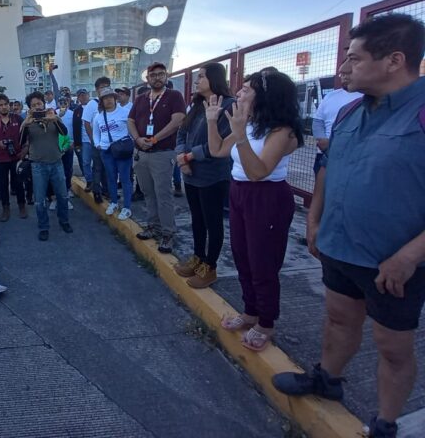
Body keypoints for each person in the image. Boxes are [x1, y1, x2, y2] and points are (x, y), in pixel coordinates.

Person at [273, 14, 425, 438]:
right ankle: (327, 379)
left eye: (355, 58)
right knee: (338, 319)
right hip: (339, 246)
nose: (346, 67)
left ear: (394, 60)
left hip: (393, 262)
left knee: (392, 348)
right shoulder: (350, 112)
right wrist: (316, 220)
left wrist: (410, 255)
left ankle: (386, 422)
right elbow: (328, 170)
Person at [206, 70, 302, 352]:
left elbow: (259, 172)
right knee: (241, 255)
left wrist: (240, 135)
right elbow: (218, 151)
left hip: (267, 197)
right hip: (239, 191)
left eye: (247, 89)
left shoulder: (282, 131)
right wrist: (213, 122)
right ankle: (250, 311)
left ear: (266, 96)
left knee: (263, 262)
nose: (240, 93)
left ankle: (266, 321)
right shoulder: (248, 124)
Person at [175, 62, 235, 289]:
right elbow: (181, 134)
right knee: (197, 219)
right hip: (190, 174)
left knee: (213, 222)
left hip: (212, 176)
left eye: (201, 77)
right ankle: (198, 257)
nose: (197, 81)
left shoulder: (229, 106)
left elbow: (218, 146)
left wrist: (189, 157)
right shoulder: (197, 105)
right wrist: (182, 157)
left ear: (214, 79)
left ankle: (210, 267)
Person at [128, 62, 186, 253]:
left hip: (162, 153)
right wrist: (137, 138)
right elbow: (130, 120)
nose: (157, 78)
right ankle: (153, 226)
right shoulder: (141, 99)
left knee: (163, 194)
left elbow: (177, 120)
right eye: (153, 75)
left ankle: (168, 233)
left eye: (161, 74)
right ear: (148, 78)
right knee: (148, 192)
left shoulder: (174, 96)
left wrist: (154, 139)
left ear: (166, 76)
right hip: (142, 152)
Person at [21, 92, 72, 241]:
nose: (37, 107)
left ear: (44, 104)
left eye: (39, 104)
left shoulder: (53, 116)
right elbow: (20, 140)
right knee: (39, 199)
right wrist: (26, 123)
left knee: (62, 195)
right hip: (38, 165)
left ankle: (64, 221)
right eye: (33, 105)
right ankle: (43, 227)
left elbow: (64, 133)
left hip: (56, 162)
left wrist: (55, 119)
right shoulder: (28, 121)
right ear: (29, 108)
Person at [92, 87, 133, 220]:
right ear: (102, 101)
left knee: (125, 179)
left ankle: (127, 207)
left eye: (111, 97)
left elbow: (132, 130)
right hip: (106, 151)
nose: (108, 100)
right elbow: (96, 133)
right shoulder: (98, 116)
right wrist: (98, 144)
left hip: (122, 150)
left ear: (115, 99)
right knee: (111, 177)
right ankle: (114, 202)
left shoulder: (125, 112)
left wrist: (130, 143)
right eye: (105, 98)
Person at [0, 94, 27, 221]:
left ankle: (22, 206)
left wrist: (24, 151)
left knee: (19, 183)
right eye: (0, 105)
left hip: (16, 157)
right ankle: (5, 208)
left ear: (9, 105)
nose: (3, 107)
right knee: (3, 185)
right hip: (0, 158)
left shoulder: (18, 119)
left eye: (5, 104)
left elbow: (26, 137)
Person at [310, 81, 362, 175]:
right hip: (324, 153)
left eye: (349, 71)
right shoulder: (330, 96)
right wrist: (323, 141)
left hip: (354, 156)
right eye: (342, 74)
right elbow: (318, 121)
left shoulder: (367, 97)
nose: (344, 75)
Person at [82, 78, 111, 202]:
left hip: (109, 143)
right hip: (96, 143)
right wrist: (93, 140)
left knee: (108, 168)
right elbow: (87, 123)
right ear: (96, 89)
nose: (104, 89)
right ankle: (97, 192)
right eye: (101, 87)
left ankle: (107, 191)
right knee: (97, 168)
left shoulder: (111, 102)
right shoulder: (92, 104)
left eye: (107, 86)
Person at [53, 96, 75, 209]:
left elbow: (75, 129)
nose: (63, 103)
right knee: (56, 173)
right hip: (55, 148)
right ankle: (55, 196)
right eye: (60, 101)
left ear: (68, 103)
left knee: (67, 170)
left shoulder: (72, 114)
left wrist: (73, 142)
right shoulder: (53, 114)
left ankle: (66, 191)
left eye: (65, 102)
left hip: (69, 145)